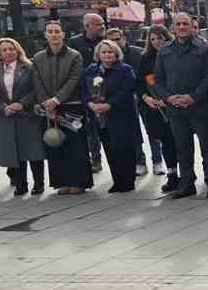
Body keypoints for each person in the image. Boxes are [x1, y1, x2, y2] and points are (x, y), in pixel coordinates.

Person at [153, 12, 208, 199]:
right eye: (178, 24)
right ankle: (187, 183)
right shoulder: (164, 50)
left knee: (207, 146)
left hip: (199, 107)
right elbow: (157, 80)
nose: (181, 27)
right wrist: (168, 98)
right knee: (182, 147)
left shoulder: (204, 49)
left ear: (192, 26)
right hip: (175, 108)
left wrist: (193, 97)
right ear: (173, 28)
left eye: (185, 24)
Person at [33, 21, 90, 195]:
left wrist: (57, 100)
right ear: (46, 35)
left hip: (71, 107)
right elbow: (37, 82)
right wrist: (47, 103)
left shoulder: (75, 56)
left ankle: (79, 182)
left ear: (63, 34)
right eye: (50, 32)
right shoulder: (38, 57)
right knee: (55, 144)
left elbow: (74, 79)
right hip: (49, 109)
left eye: (57, 31)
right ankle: (61, 182)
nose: (54, 35)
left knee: (76, 146)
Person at [0, 37, 44, 196]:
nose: (8, 52)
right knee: (14, 151)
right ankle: (21, 184)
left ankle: (39, 183)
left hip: (27, 115)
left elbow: (36, 90)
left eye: (11, 49)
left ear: (17, 50)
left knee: (33, 150)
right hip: (6, 117)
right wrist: (1, 107)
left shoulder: (29, 67)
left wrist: (22, 103)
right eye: (4, 50)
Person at [82, 40, 140, 193]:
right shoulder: (91, 70)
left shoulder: (125, 70)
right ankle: (117, 180)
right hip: (100, 118)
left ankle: (128, 181)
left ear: (116, 54)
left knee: (124, 149)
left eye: (110, 52)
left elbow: (128, 91)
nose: (107, 55)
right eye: (104, 52)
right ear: (98, 55)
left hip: (121, 116)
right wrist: (90, 104)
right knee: (110, 149)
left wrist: (109, 104)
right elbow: (84, 90)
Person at [68, 13, 108, 175]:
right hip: (85, 92)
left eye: (103, 23)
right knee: (90, 129)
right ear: (87, 26)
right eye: (98, 24)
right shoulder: (74, 42)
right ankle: (96, 159)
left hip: (106, 90)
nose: (102, 26)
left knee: (107, 127)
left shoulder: (105, 42)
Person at [135, 26, 172, 184]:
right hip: (154, 106)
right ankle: (171, 172)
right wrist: (146, 97)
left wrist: (167, 97)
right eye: (153, 39)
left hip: (172, 103)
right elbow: (140, 82)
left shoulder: (173, 55)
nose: (157, 42)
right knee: (162, 139)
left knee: (177, 140)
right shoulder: (145, 58)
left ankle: (183, 172)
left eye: (160, 38)